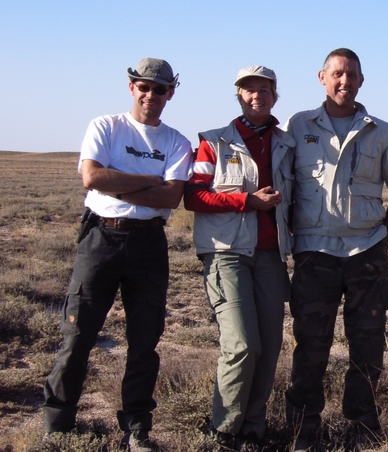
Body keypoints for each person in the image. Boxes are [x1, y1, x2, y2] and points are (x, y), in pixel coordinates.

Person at [42, 58, 192, 451]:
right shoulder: (105, 126)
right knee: (78, 335)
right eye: (144, 86)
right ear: (131, 88)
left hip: (149, 244)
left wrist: (117, 182)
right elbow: (92, 177)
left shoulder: (176, 142)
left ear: (171, 92)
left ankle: (137, 429)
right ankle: (57, 426)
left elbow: (171, 196)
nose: (150, 94)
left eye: (159, 89)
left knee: (145, 340)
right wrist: (147, 181)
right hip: (101, 239)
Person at [283, 48, 388, 451]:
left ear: (361, 81)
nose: (344, 81)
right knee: (311, 346)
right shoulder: (298, 126)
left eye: (351, 75)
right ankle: (303, 430)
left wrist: (386, 234)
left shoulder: (382, 131)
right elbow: (285, 185)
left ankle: (362, 427)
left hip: (366, 254)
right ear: (322, 77)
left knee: (368, 346)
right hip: (315, 254)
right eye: (337, 74)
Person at [183, 65, 294, 450]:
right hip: (226, 253)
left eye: (263, 89)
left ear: (274, 95)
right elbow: (193, 196)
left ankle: (253, 427)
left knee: (269, 346)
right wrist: (247, 201)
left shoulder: (287, 143)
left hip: (271, 255)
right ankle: (224, 429)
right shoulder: (213, 142)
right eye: (248, 90)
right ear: (239, 96)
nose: (256, 96)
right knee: (243, 345)